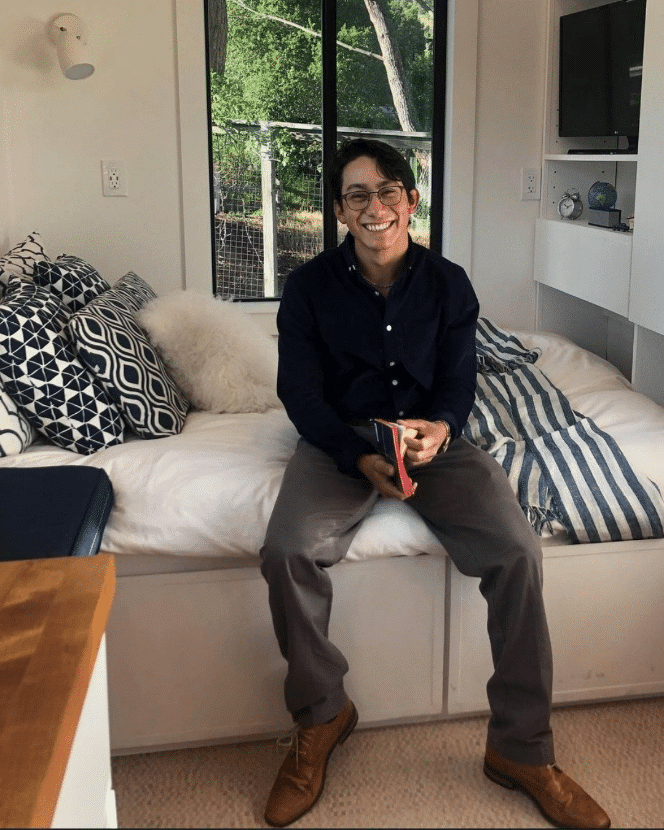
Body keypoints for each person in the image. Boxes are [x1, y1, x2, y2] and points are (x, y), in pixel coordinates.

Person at [259, 138, 611, 830]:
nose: (375, 207)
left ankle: (522, 750)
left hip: (435, 443)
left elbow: (458, 380)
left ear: (410, 201)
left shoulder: (449, 283)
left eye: (388, 190)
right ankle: (324, 715)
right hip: (341, 443)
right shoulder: (306, 290)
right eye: (356, 195)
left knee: (518, 553)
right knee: (285, 550)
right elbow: (300, 394)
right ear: (339, 211)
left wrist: (442, 430)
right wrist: (356, 456)